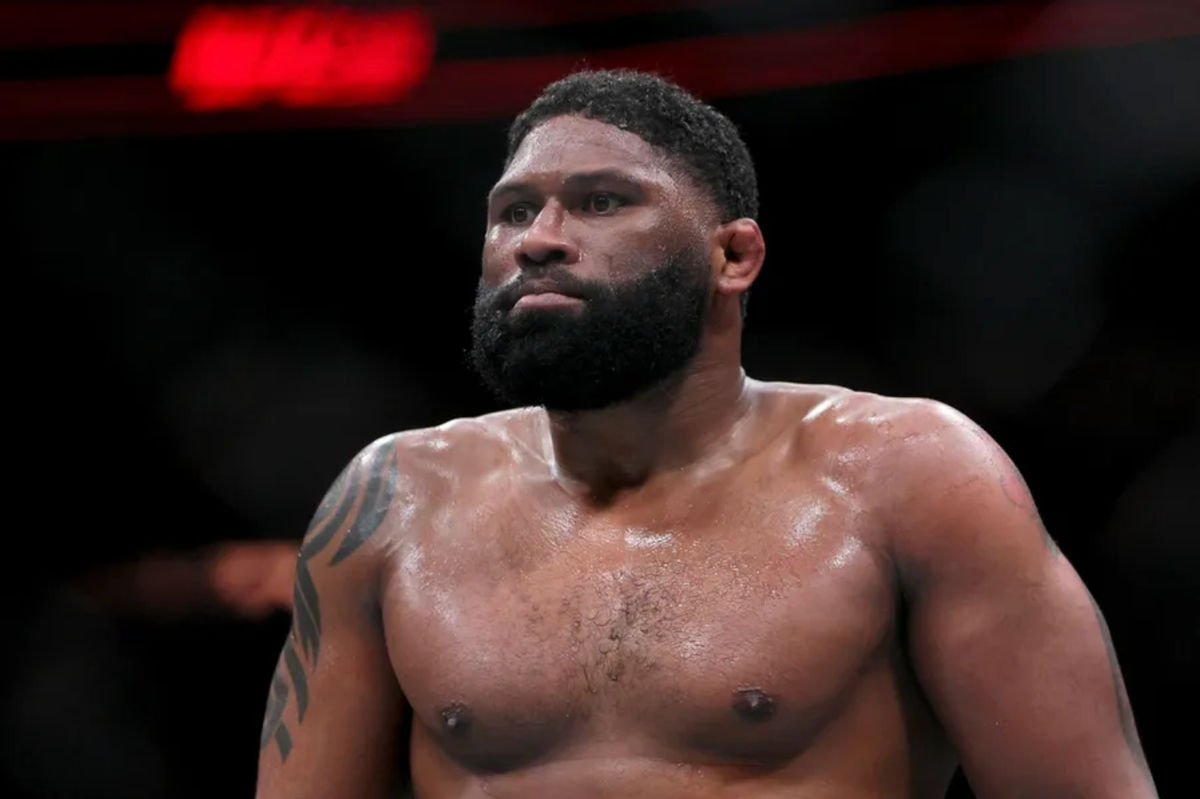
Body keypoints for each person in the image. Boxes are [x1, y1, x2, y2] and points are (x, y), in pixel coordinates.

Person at [255, 70, 1158, 798]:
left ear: (734, 256)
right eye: (514, 209)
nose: (541, 238)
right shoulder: (393, 499)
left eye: (603, 202)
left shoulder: (911, 474)